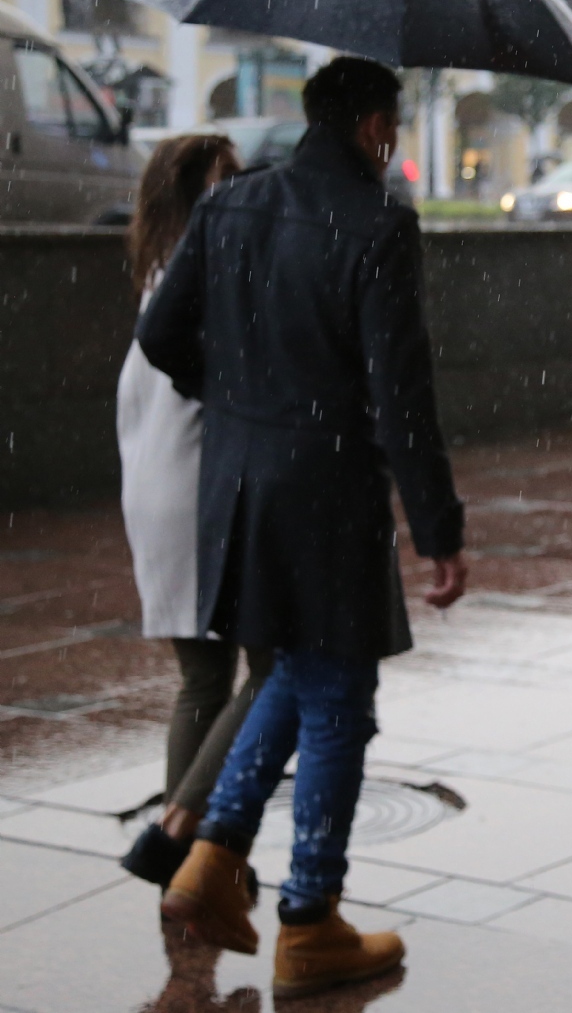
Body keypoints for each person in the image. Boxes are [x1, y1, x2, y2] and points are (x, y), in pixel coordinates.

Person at [137, 56, 468, 999]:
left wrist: (242, 402)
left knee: (289, 670)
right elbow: (401, 397)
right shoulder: (378, 223)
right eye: (393, 124)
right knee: (338, 706)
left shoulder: (230, 204)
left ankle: (209, 863)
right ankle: (311, 918)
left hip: (238, 488)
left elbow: (162, 335)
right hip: (327, 495)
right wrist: (438, 525)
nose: (393, 140)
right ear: (372, 126)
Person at [116, 134, 278, 895]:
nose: (239, 192)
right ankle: (181, 831)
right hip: (199, 496)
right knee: (274, 670)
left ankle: (187, 866)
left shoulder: (159, 273)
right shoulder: (212, 273)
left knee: (202, 681)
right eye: (224, 183)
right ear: (191, 196)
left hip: (154, 492)